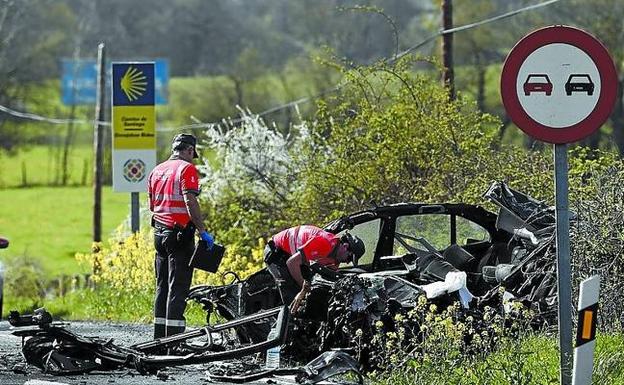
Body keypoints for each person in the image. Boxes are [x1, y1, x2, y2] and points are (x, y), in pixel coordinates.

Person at [147, 133, 215, 338]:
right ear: (190, 150)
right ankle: (174, 339)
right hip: (179, 235)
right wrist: (202, 231)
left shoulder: (156, 170)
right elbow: (190, 201)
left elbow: (152, 204)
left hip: (159, 233)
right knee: (178, 286)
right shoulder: (187, 169)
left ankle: (159, 337)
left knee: (162, 285)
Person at [264, 225, 365, 313]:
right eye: (349, 257)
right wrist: (303, 286)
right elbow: (291, 263)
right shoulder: (324, 242)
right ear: (345, 246)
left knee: (311, 291)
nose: (347, 262)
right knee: (291, 291)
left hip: (295, 256)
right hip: (277, 251)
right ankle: (286, 326)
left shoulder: (334, 261)